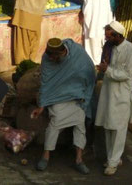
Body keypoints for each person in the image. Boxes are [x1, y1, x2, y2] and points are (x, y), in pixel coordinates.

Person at [31, 38, 96, 175]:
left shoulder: (77, 51)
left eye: (55, 57)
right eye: (51, 57)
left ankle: (79, 160)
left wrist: (86, 95)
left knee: (80, 124)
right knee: (56, 122)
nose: (52, 59)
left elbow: (89, 72)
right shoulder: (47, 58)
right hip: (57, 96)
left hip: (77, 94)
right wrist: (42, 105)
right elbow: (46, 82)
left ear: (62, 52)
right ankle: (45, 156)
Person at [95, 21, 132, 176]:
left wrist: (107, 70)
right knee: (108, 125)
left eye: (109, 36)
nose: (107, 39)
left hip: (122, 93)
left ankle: (113, 162)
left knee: (119, 128)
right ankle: (113, 157)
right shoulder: (108, 47)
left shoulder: (131, 50)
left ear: (118, 36)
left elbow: (127, 74)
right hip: (108, 91)